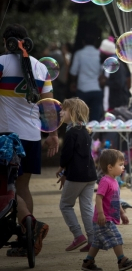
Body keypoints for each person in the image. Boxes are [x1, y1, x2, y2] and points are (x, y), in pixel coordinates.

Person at [0, 23, 58, 257]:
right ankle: (28, 240)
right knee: (22, 186)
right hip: (32, 137)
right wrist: (53, 134)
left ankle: (30, 226)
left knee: (6, 187)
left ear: (7, 42)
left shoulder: (2, 62)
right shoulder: (40, 67)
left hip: (5, 137)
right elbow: (49, 106)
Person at [81, 148, 132, 271]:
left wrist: (122, 213)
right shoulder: (105, 181)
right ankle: (122, 260)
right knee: (116, 237)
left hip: (107, 217)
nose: (123, 167)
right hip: (104, 219)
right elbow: (99, 198)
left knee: (97, 242)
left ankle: (88, 262)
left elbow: (116, 200)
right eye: (120, 165)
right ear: (110, 167)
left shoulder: (115, 181)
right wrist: (101, 214)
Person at [56, 98, 97, 253]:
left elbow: (67, 154)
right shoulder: (85, 131)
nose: (61, 113)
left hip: (77, 175)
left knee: (65, 205)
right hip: (90, 175)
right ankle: (92, 240)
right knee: (86, 207)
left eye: (64, 110)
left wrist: (62, 167)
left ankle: (78, 235)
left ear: (72, 113)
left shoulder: (71, 132)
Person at [69, 33, 103, 121]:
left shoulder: (79, 54)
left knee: (81, 118)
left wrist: (73, 82)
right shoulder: (99, 54)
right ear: (95, 43)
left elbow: (73, 71)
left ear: (83, 42)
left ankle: (83, 135)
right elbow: (103, 71)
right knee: (95, 119)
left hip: (82, 89)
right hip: (96, 89)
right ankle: (94, 135)